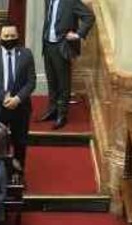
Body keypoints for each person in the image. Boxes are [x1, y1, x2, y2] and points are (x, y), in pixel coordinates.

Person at [0, 22, 36, 168]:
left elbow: (31, 82)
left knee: (20, 143)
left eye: (12, 36)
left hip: (20, 107)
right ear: (0, 37)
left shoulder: (26, 54)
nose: (9, 39)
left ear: (18, 36)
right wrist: (4, 96)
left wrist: (17, 98)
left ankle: (18, 172)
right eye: (6, 36)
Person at [39, 0, 94, 130]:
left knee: (63, 83)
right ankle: (52, 110)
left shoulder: (71, 1)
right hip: (48, 45)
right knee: (51, 81)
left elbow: (89, 16)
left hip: (62, 46)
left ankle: (62, 115)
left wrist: (78, 34)